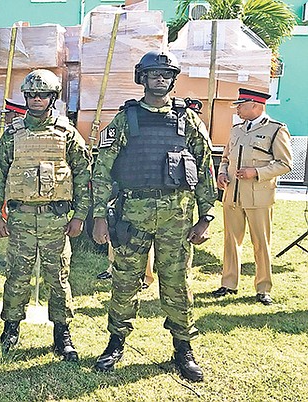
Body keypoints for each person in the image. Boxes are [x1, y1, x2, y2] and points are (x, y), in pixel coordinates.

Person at [91, 51, 217, 382]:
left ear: (172, 79)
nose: (159, 79)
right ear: (142, 78)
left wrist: (207, 216)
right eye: (153, 73)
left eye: (165, 74)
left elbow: (205, 168)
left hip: (177, 215)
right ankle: (116, 342)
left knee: (177, 283)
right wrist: (99, 216)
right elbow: (102, 169)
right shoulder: (125, 119)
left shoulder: (187, 120)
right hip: (133, 213)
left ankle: (183, 347)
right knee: (125, 280)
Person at [0, 69, 91, 361]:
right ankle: (11, 328)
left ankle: (62, 332)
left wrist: (80, 215)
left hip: (55, 220)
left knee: (57, 277)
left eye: (42, 95)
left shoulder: (67, 133)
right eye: (31, 95)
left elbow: (83, 176)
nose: (36, 99)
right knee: (17, 275)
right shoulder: (13, 134)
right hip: (20, 219)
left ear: (52, 98)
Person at [212, 88, 292, 306]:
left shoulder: (276, 130)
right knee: (230, 241)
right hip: (232, 196)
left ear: (256, 105)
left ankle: (263, 288)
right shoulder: (236, 130)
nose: (237, 108)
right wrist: (221, 172)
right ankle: (228, 283)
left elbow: (285, 164)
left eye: (241, 104)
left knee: (261, 243)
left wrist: (256, 173)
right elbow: (226, 157)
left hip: (259, 197)